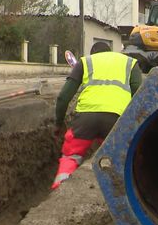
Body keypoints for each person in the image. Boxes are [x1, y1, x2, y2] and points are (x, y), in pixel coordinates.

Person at [51, 42, 142, 190]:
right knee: (122, 159)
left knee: (71, 156)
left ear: (93, 53)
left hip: (85, 120)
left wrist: (58, 123)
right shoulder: (130, 63)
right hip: (117, 120)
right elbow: (140, 96)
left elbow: (63, 97)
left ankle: (59, 190)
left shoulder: (85, 62)